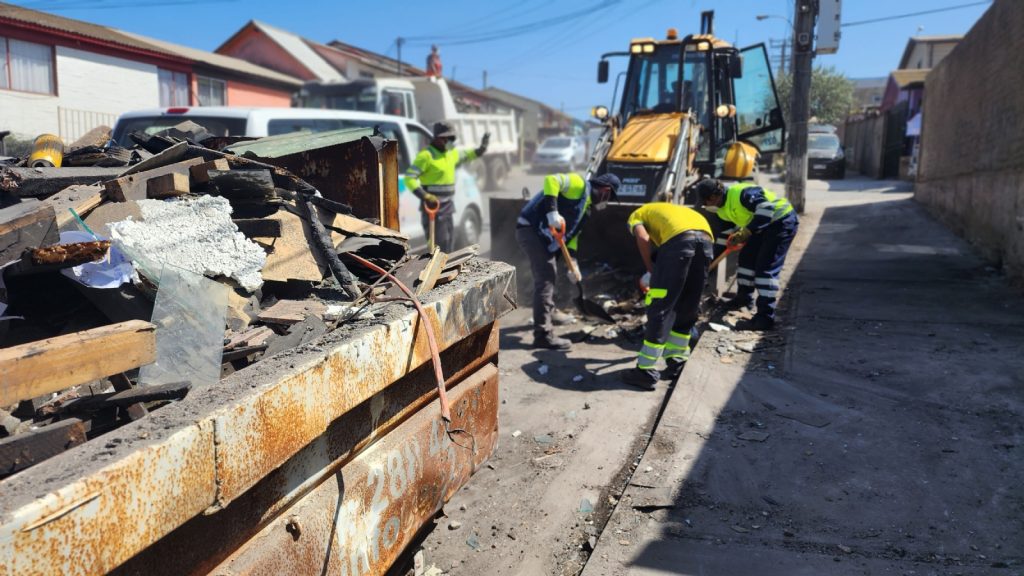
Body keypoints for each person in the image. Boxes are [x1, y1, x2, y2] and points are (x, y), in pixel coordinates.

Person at [695, 142, 799, 331]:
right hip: (760, 228)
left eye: (706, 201)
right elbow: (724, 238)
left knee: (765, 270)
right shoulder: (722, 209)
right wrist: (709, 262)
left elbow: (766, 208)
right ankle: (743, 298)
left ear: (715, 196)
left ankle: (764, 318)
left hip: (781, 222)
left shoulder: (742, 192)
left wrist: (747, 231)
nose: (705, 205)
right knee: (746, 261)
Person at [516, 172, 621, 350]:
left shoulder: (586, 209)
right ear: (605, 190)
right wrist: (552, 212)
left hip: (546, 239)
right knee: (546, 279)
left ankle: (549, 313)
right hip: (531, 229)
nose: (607, 201)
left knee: (549, 276)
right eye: (609, 197)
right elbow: (551, 180)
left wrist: (573, 263)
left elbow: (572, 237)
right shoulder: (578, 184)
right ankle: (543, 335)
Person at [621, 202, 714, 389]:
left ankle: (645, 371)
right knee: (688, 303)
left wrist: (651, 268)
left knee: (661, 305)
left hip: (679, 242)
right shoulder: (672, 212)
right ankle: (677, 361)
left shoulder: (638, 214)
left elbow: (643, 237)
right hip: (706, 241)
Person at [405, 122, 488, 253]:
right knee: (438, 244)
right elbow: (409, 178)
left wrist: (482, 148)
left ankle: (446, 264)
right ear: (437, 138)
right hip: (433, 207)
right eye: (446, 138)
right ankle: (436, 264)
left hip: (448, 206)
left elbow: (468, 154)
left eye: (451, 138)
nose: (449, 141)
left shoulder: (451, 153)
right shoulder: (426, 156)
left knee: (449, 241)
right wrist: (425, 196)